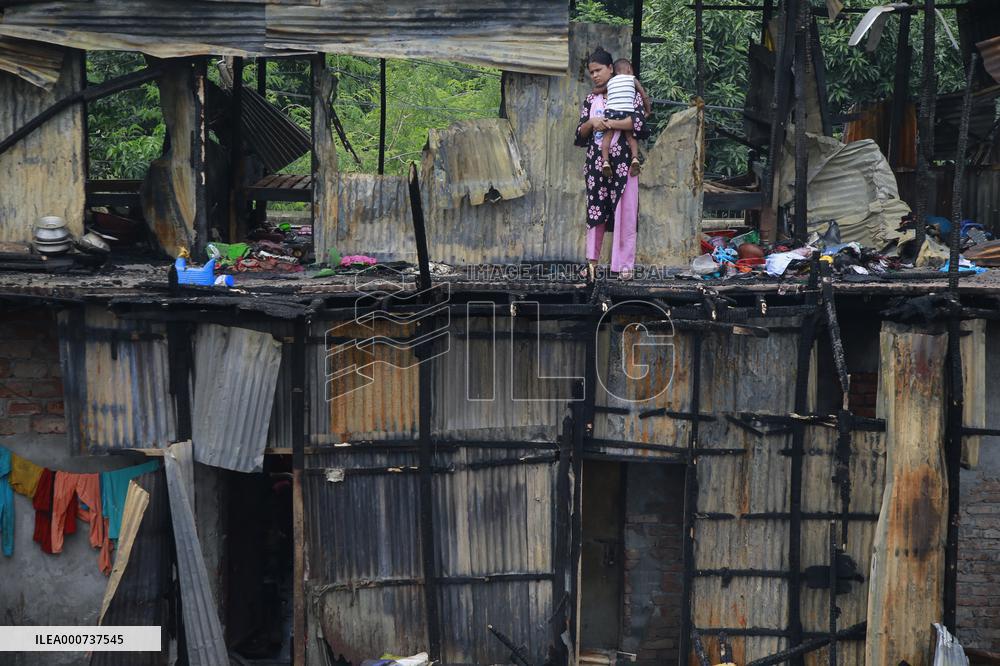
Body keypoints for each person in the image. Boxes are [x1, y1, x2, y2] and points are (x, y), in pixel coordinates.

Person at [575, 47, 649, 282]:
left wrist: (607, 122)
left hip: (626, 165)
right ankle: (592, 264)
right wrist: (592, 122)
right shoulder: (592, 99)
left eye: (598, 70)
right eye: (591, 72)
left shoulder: (630, 93)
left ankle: (624, 266)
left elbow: (639, 123)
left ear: (610, 69)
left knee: (626, 214)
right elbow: (580, 133)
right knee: (595, 212)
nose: (595, 75)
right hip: (597, 165)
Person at [593, 58, 652, 179]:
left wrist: (594, 91)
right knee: (631, 137)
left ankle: (605, 161)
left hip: (611, 112)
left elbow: (599, 90)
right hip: (627, 112)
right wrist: (648, 110)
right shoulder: (632, 79)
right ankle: (635, 158)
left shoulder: (610, 81)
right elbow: (643, 95)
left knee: (607, 137)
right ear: (629, 69)